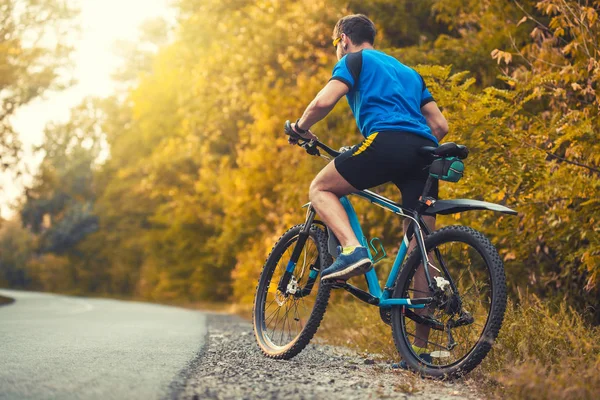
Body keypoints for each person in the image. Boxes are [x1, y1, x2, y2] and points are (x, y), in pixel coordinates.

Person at [289, 14, 449, 287]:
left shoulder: (354, 60)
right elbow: (440, 125)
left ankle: (352, 250)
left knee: (320, 188)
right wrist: (411, 149)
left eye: (335, 44)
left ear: (344, 40)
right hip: (426, 152)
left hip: (386, 141)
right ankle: (421, 322)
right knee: (421, 247)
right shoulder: (409, 72)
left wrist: (300, 128)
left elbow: (322, 103)